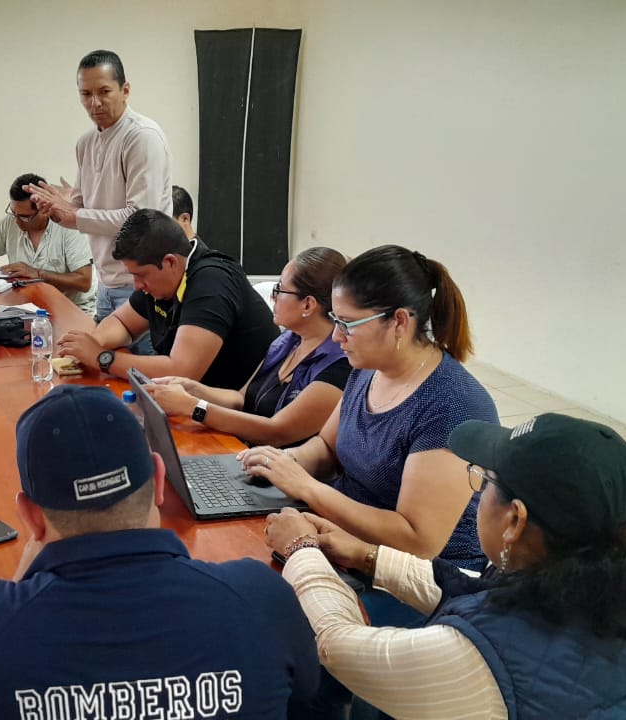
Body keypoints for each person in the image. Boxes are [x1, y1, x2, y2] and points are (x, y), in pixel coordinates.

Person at [0, 385, 322, 719]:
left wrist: (18, 584)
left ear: (30, 517)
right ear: (159, 480)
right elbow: (307, 698)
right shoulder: (263, 599)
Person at [264, 413, 626, 719]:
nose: (478, 493)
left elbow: (337, 646)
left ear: (515, 520)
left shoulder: (477, 657)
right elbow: (478, 590)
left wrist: (301, 549)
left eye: (486, 482)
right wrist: (368, 556)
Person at [237, 245, 498, 627]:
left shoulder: (453, 404)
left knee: (272, 619)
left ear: (399, 322)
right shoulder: (367, 368)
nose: (337, 336)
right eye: (335, 319)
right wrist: (286, 461)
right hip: (346, 542)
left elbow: (418, 540)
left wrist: (308, 488)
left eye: (347, 323)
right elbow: (326, 447)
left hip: (416, 582)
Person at [28, 50, 171, 345]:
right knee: (100, 368)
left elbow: (141, 220)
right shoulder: (86, 143)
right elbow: (79, 210)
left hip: (142, 285)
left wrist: (75, 214)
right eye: (86, 94)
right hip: (105, 283)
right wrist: (56, 209)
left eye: (104, 92)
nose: (94, 103)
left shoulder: (142, 137)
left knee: (138, 372)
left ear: (125, 90)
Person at [145, 247, 349, 447]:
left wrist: (193, 407)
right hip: (248, 453)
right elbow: (241, 399)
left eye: (279, 289)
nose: (273, 297)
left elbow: (277, 432)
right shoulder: (288, 341)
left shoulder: (338, 366)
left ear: (308, 305)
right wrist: (192, 388)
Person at [56, 209, 277, 390]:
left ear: (170, 262)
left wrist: (102, 358)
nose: (137, 285)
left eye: (141, 275)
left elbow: (181, 371)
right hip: (200, 402)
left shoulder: (211, 282)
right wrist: (92, 345)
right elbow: (122, 322)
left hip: (249, 411)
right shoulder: (161, 282)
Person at [0, 172, 96, 314]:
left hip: (72, 308)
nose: (16, 221)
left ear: (43, 209)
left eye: (24, 217)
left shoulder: (68, 226)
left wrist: (38, 274)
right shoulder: (11, 222)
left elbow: (84, 281)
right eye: (13, 213)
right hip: (27, 308)